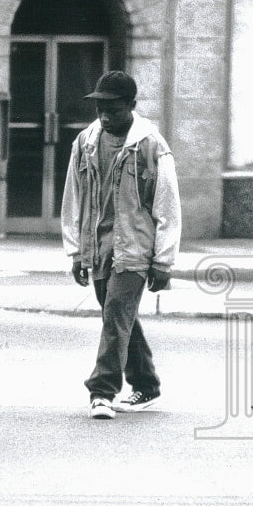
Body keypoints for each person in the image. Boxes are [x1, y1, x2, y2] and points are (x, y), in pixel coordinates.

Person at [61, 70, 181, 420]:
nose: (104, 116)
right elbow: (74, 198)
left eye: (112, 108)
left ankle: (101, 391)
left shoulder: (151, 145)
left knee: (116, 313)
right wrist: (77, 251)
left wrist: (163, 260)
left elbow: (167, 204)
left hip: (135, 248)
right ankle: (146, 384)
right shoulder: (86, 142)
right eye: (100, 108)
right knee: (119, 315)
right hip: (99, 246)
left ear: (131, 105)